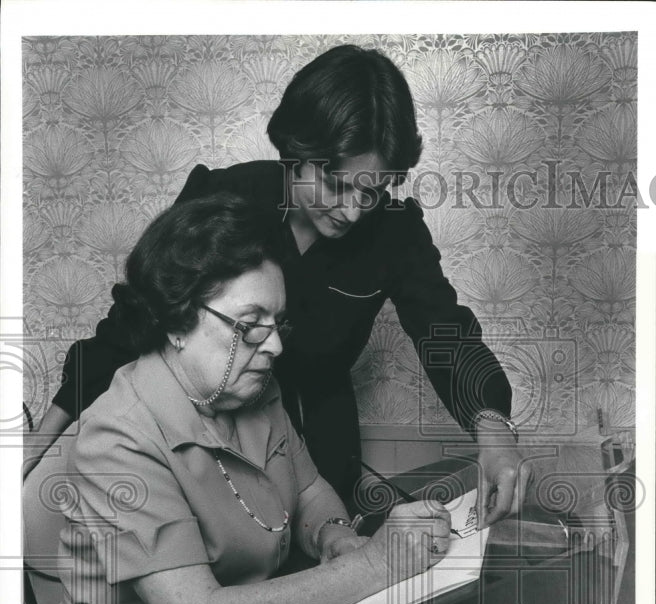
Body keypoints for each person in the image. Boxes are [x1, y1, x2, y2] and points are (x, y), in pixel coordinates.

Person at [28, 193, 453, 604]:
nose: (274, 345)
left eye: (279, 324)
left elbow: (307, 491)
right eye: (251, 324)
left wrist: (336, 536)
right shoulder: (117, 436)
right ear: (176, 320)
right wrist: (378, 565)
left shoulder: (252, 385)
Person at [26, 43, 525, 522]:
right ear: (296, 152)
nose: (352, 211)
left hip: (320, 433)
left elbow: (445, 332)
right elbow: (133, 321)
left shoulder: (395, 231)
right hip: (211, 430)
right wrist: (37, 447)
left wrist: (495, 432)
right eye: (336, 185)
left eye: (370, 193)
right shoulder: (227, 196)